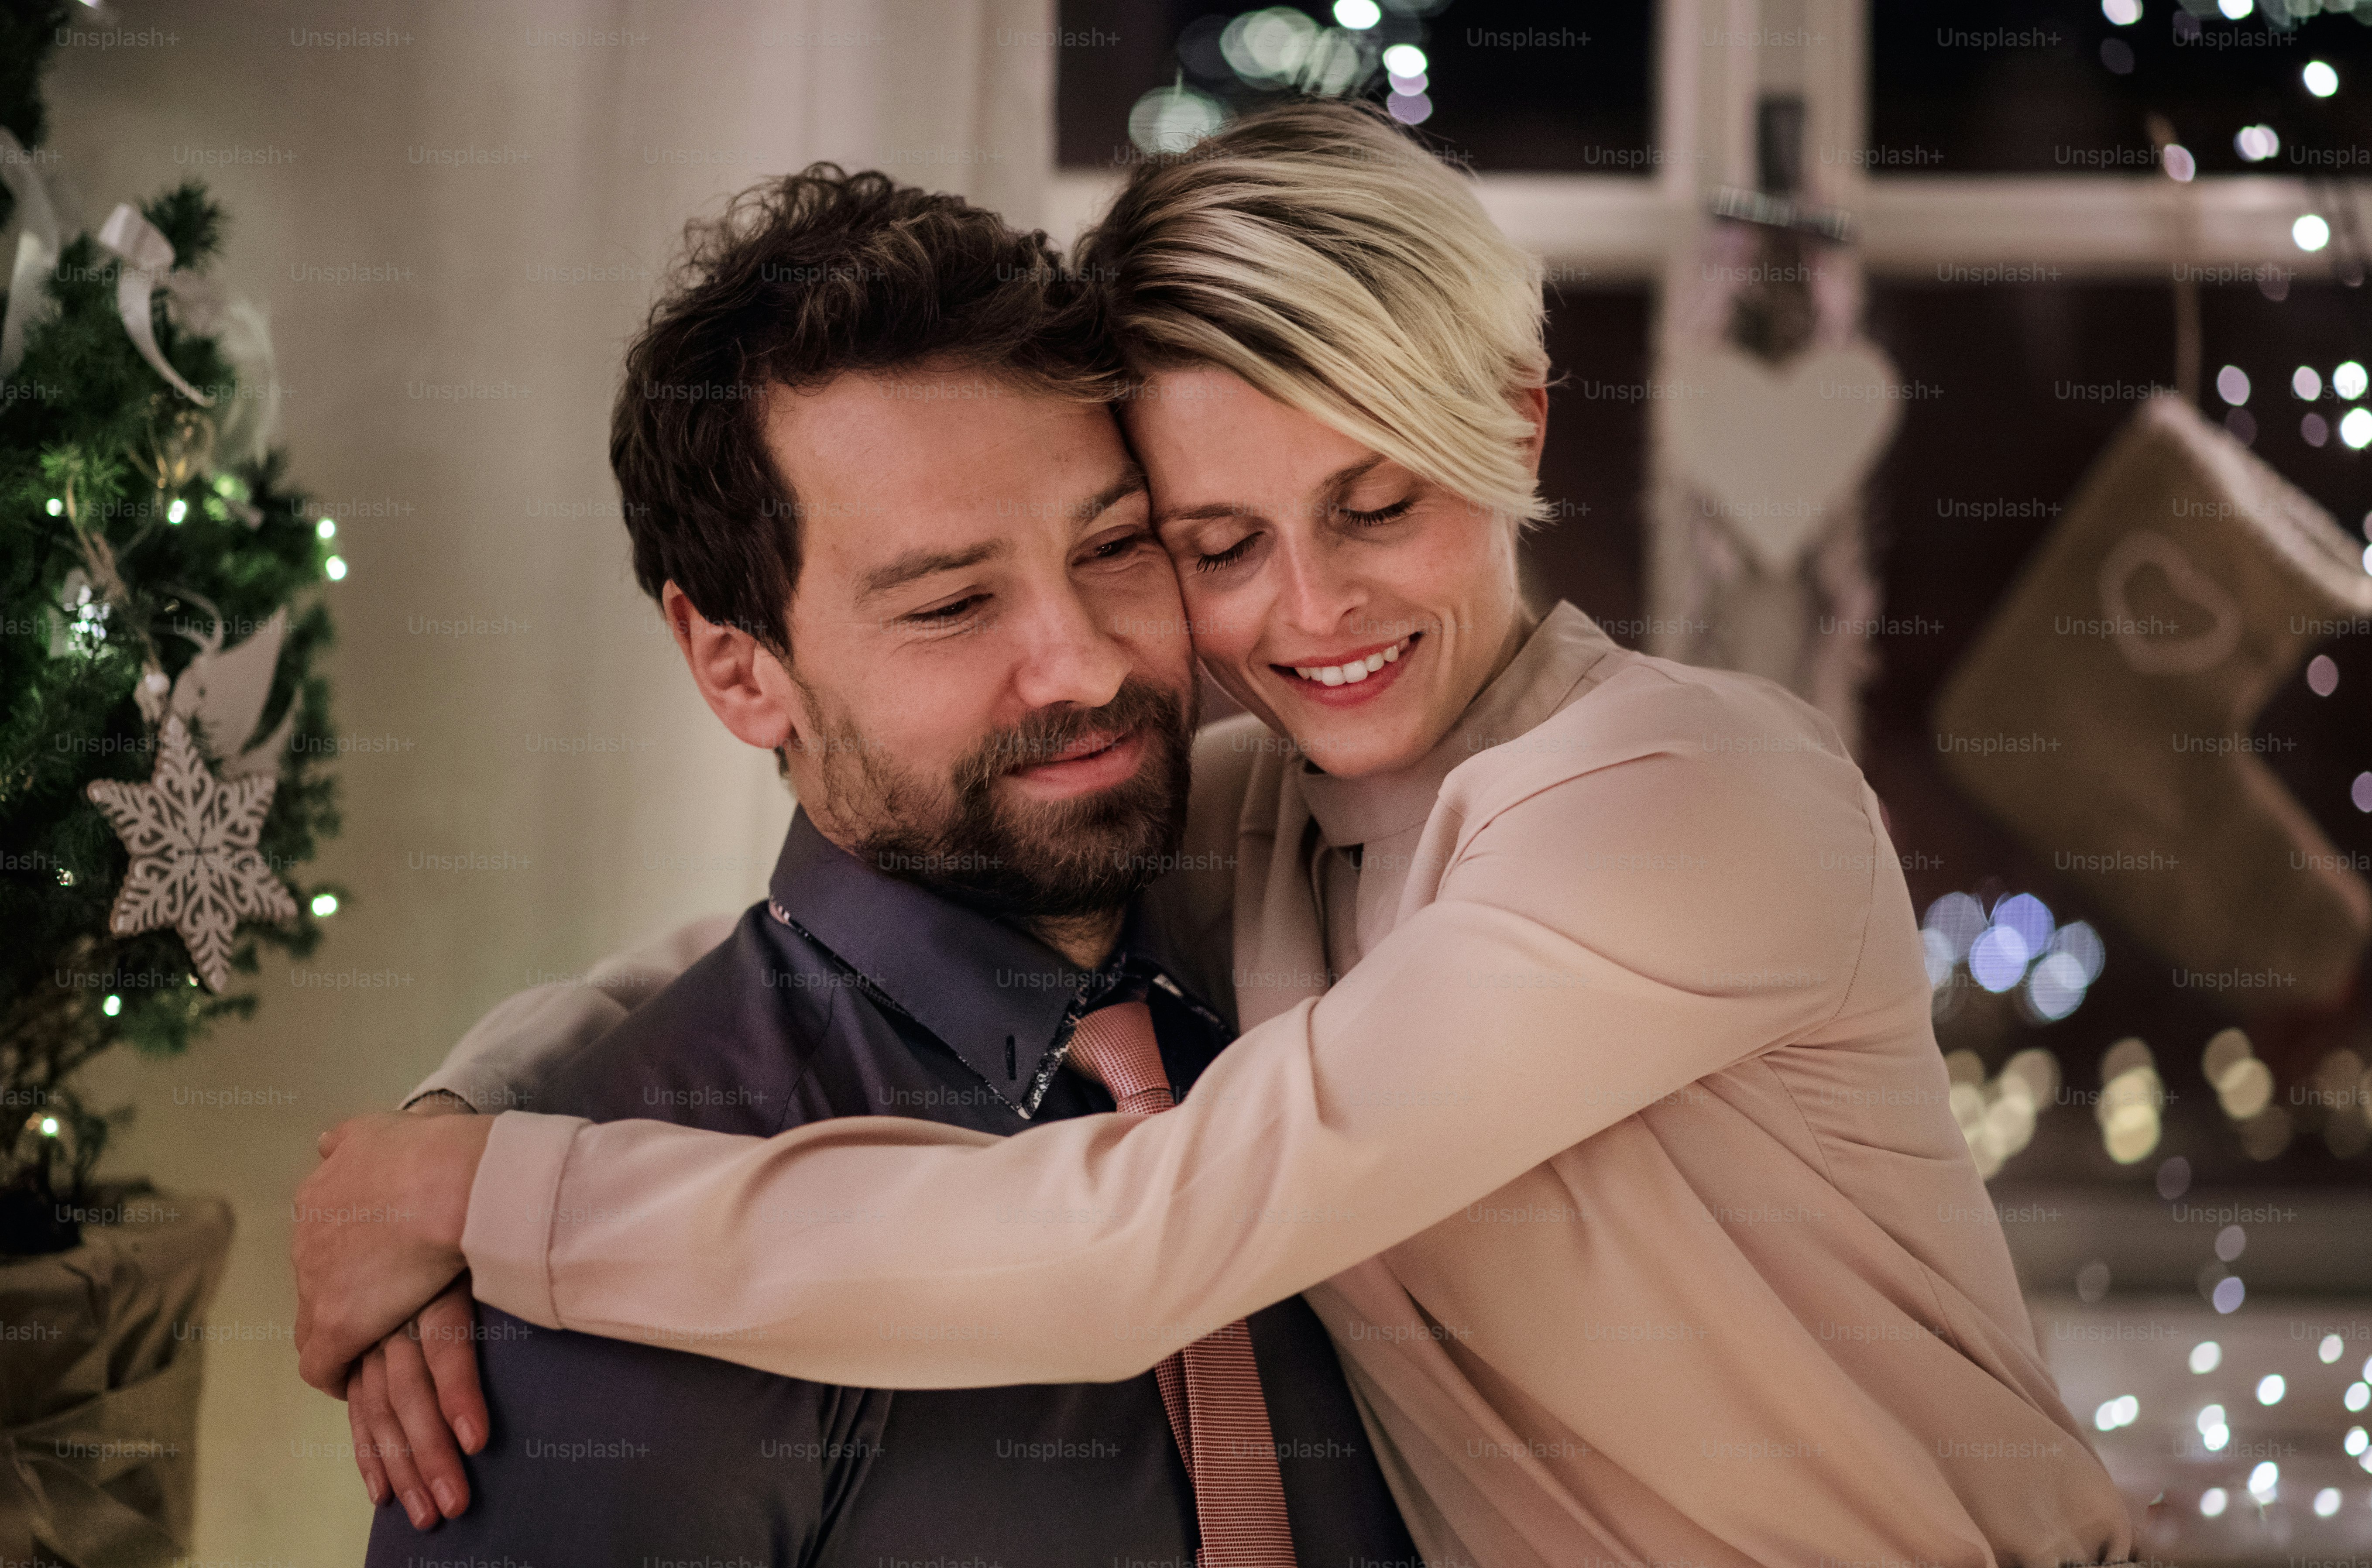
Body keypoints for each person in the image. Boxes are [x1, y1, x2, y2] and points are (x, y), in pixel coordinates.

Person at [298, 103, 2135, 1568]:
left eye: (1376, 503)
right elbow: (779, 947)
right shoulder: (1271, 818)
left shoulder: (1681, 794)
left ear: (1514, 426)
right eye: (1213, 542)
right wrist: (462, 1116)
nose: (1309, 611)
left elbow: (1144, 1242)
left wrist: (491, 1195)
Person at [347, 164, 1417, 1568]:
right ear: (738, 668)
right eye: (955, 602)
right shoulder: (580, 1275)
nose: (1087, 663)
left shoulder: (1340, 965)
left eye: (1114, 546)